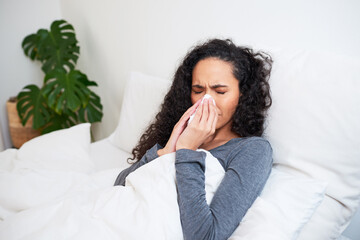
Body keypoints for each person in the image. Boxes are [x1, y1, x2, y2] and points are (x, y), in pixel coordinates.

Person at [114, 38, 273, 240]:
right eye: (198, 90)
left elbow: (205, 236)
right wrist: (167, 150)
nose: (207, 100)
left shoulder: (252, 150)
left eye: (220, 91)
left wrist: (187, 151)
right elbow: (120, 187)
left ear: (243, 95)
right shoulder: (181, 132)